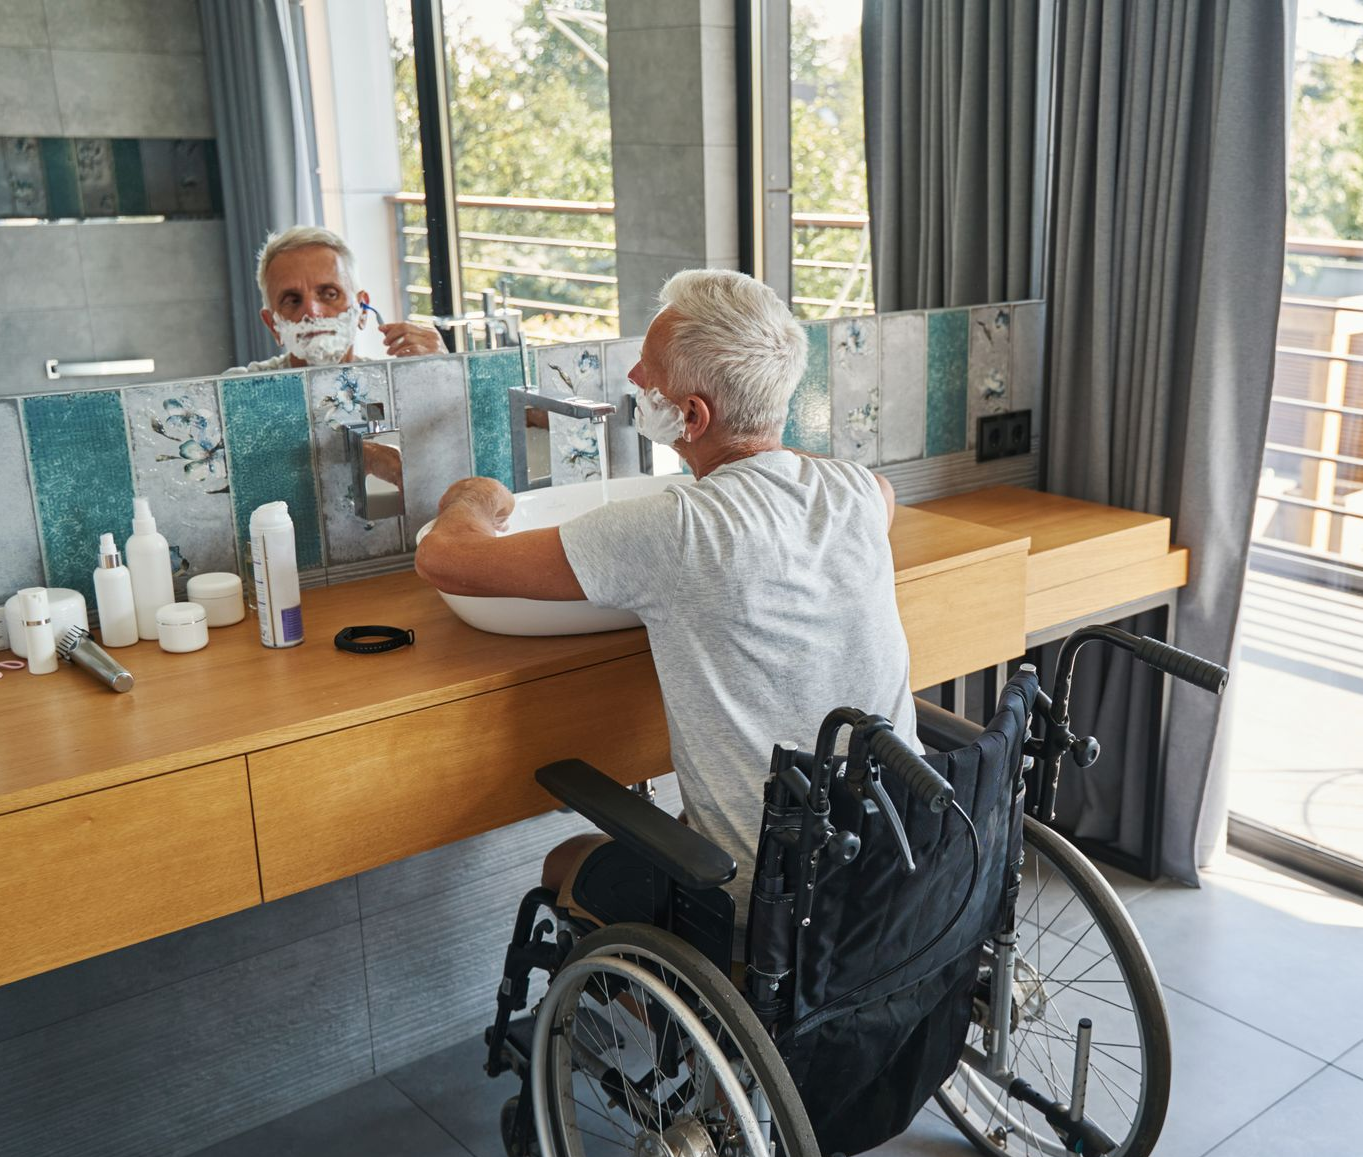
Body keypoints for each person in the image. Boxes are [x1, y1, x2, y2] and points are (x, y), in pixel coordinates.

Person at [414, 269, 919, 937]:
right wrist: (756, 423)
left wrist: (473, 496)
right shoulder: (858, 491)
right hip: (898, 875)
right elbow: (838, 486)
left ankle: (655, 994)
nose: (631, 378)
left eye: (647, 372)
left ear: (693, 416)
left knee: (566, 860)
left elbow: (445, 560)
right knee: (682, 822)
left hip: (763, 907)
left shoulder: (672, 528)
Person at [229, 226, 443, 373]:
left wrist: (447, 373)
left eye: (329, 294)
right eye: (293, 301)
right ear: (272, 325)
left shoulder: (393, 387)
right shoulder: (238, 393)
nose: (312, 312)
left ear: (362, 310)